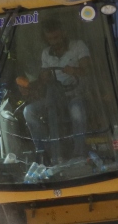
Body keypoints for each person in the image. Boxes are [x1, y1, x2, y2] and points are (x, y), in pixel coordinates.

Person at [24, 19, 91, 163]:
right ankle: (48, 152)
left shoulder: (78, 46)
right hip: (54, 98)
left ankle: (78, 154)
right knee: (28, 111)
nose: (54, 42)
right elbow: (44, 79)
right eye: (50, 39)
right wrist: (43, 77)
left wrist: (74, 70)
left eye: (57, 38)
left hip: (75, 95)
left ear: (64, 33)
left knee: (77, 112)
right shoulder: (46, 53)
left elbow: (88, 70)